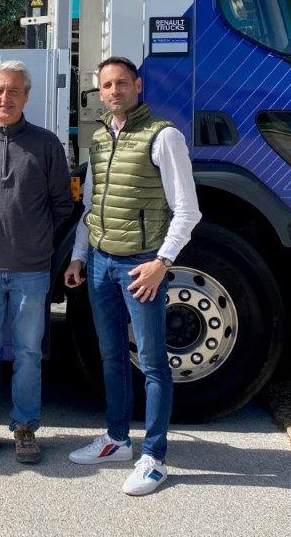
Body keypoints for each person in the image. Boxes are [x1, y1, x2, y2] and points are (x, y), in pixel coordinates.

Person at [64, 56, 200, 495]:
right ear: (99, 92)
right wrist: (79, 258)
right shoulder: (99, 140)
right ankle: (118, 439)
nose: (114, 91)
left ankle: (155, 456)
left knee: (155, 364)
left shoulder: (164, 137)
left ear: (137, 86)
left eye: (122, 83)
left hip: (140, 265)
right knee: (111, 357)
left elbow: (188, 210)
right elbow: (90, 209)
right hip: (101, 263)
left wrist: (161, 263)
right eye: (106, 85)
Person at [0, 60, 73, 464]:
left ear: (27, 96)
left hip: (32, 271)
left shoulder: (46, 144)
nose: (6, 98)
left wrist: (36, 243)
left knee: (27, 354)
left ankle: (25, 429)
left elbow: (62, 205)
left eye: (14, 91)